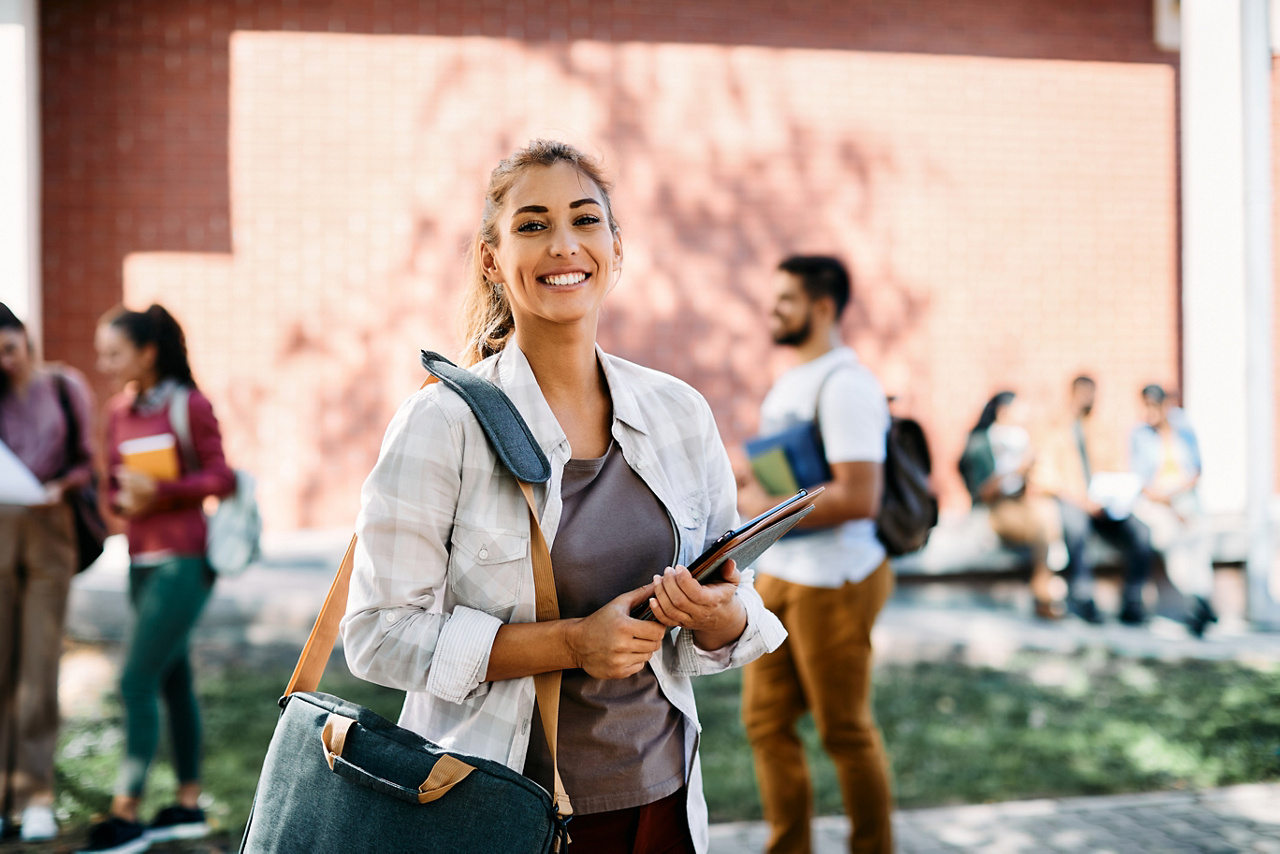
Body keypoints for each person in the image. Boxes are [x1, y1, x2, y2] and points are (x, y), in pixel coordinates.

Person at [340, 140, 786, 854]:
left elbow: (735, 604)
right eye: (532, 224)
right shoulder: (442, 424)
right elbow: (376, 635)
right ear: (492, 259)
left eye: (584, 220)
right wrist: (572, 644)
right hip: (503, 812)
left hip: (665, 805)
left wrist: (719, 615)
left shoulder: (679, 412)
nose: (563, 245)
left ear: (615, 247)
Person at [736, 256, 894, 854]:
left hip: (836, 579)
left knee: (845, 731)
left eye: (786, 299)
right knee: (766, 724)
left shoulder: (846, 384)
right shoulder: (790, 382)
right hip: (777, 574)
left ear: (822, 307)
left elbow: (859, 495)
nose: (773, 309)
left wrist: (769, 504)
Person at [84, 305, 236, 854]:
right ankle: (188, 806)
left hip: (185, 561)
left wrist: (163, 492)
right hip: (141, 559)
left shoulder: (188, 405)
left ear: (147, 352)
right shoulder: (118, 410)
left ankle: (126, 813)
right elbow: (109, 483)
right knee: (171, 681)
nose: (105, 363)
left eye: (114, 353)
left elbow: (222, 476)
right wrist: (121, 501)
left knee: (135, 680)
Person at [0, 303, 95, 843]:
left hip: (49, 529)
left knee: (37, 668)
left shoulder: (63, 385)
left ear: (25, 338)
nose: (5, 363)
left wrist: (61, 486)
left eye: (9, 349)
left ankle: (34, 795)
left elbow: (87, 459)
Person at [1034, 375, 1152, 625]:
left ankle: (1133, 599)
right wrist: (1082, 500)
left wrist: (1112, 494)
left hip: (1103, 502)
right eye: (1084, 394)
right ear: (1073, 394)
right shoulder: (1055, 428)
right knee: (1077, 528)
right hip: (1071, 501)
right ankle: (1083, 596)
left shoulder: (1101, 429)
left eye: (1093, 394)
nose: (1089, 400)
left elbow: (1116, 467)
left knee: (1140, 532)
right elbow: (1046, 477)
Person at [958, 391, 1065, 619]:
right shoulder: (982, 442)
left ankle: (1044, 586)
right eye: (1019, 409)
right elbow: (982, 491)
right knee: (1043, 526)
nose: (1024, 415)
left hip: (1021, 503)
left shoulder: (1022, 438)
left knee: (1048, 512)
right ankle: (1044, 590)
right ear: (1003, 410)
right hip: (994, 508)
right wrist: (1017, 470)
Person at [1129, 384, 1218, 637]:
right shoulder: (1138, 434)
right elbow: (1142, 483)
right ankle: (1194, 601)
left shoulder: (1183, 427)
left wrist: (1180, 502)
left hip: (1185, 498)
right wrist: (1170, 504)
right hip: (1158, 503)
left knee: (1199, 538)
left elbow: (1196, 470)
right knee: (1173, 541)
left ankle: (1201, 598)